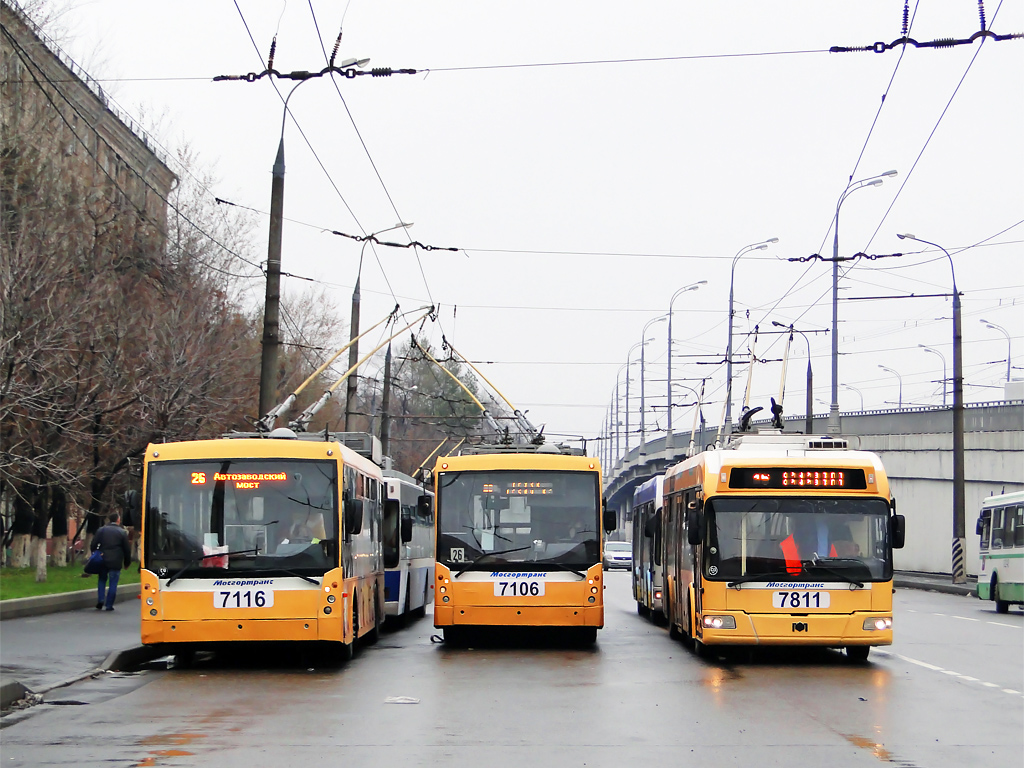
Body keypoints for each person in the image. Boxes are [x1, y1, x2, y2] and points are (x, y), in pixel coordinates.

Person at [91, 512, 132, 611]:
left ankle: (101, 600)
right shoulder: (122, 532)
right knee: (113, 583)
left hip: (102, 559)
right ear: (118, 520)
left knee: (102, 580)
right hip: (116, 561)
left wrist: (95, 553)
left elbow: (93, 544)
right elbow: (127, 549)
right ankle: (109, 605)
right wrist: (127, 563)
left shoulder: (101, 530)